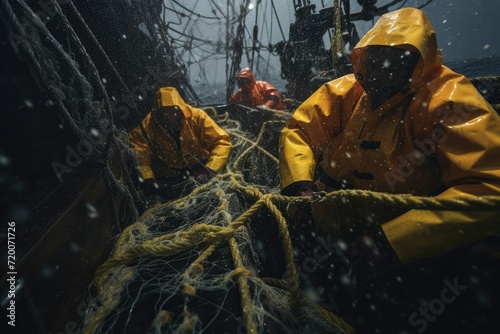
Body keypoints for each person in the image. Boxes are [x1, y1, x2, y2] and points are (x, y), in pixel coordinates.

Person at [278, 7, 500, 333]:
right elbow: (297, 131)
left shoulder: (450, 101)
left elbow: (489, 190)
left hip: (422, 253)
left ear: (418, 62)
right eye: (375, 59)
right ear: (363, 59)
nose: (383, 71)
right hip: (337, 230)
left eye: (396, 60)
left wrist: (389, 241)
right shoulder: (344, 92)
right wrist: (299, 184)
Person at [129, 86, 232, 198]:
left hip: (201, 168)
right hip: (168, 179)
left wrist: (210, 168)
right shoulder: (145, 128)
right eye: (164, 113)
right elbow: (139, 156)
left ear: (180, 109)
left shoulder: (197, 117)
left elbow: (221, 141)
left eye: (172, 112)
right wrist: (148, 179)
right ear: (157, 113)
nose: (169, 117)